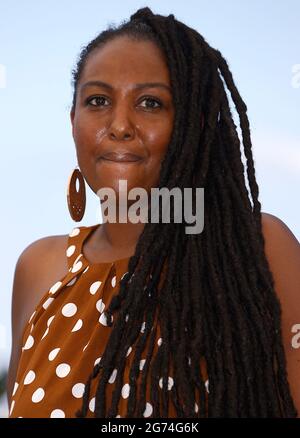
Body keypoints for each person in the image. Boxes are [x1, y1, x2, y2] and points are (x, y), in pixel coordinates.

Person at [7, 7, 300, 418]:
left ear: (192, 125)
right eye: (98, 100)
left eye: (150, 103)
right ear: (73, 120)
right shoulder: (39, 268)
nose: (120, 124)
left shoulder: (260, 248)